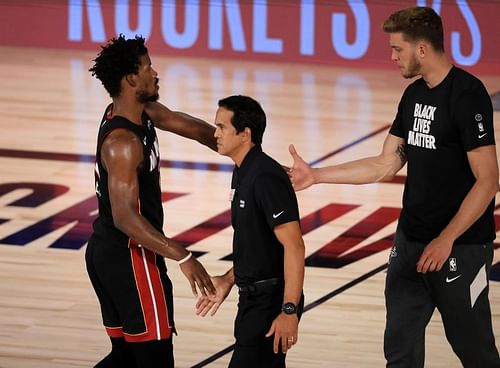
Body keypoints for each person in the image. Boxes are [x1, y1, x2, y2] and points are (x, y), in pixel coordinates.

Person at [288, 6, 500, 368]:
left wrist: (446, 238)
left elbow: (488, 180)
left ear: (422, 49)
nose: (391, 56)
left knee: (474, 351)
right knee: (399, 351)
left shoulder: (467, 95)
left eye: (397, 48)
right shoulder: (414, 96)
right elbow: (385, 163)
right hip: (410, 243)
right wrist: (318, 175)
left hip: (460, 248)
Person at [86, 35, 216, 368]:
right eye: (147, 67)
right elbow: (126, 218)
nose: (155, 73)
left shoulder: (141, 112)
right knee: (155, 360)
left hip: (113, 252)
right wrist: (184, 256)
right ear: (131, 79)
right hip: (129, 257)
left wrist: (248, 156)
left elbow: (193, 127)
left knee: (126, 357)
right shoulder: (123, 142)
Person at [195, 95, 306, 368]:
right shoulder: (243, 171)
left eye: (222, 127)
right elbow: (259, 245)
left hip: (270, 303)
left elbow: (295, 246)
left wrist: (288, 310)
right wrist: (229, 279)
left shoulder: (265, 177)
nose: (215, 134)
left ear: (245, 134)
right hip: (252, 299)